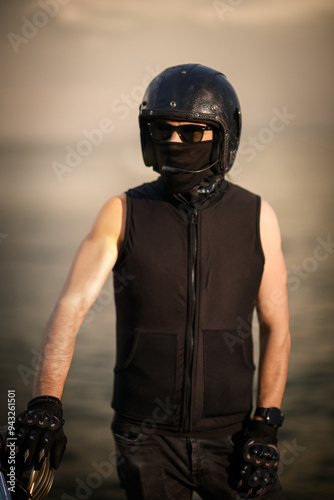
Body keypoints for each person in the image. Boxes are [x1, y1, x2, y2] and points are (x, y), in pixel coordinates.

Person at [6, 64, 290, 499]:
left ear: (223, 137)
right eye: (162, 130)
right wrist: (46, 402)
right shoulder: (122, 211)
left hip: (234, 438)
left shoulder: (257, 216)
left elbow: (277, 328)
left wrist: (265, 426)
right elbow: (71, 307)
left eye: (191, 133)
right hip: (144, 438)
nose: (174, 142)